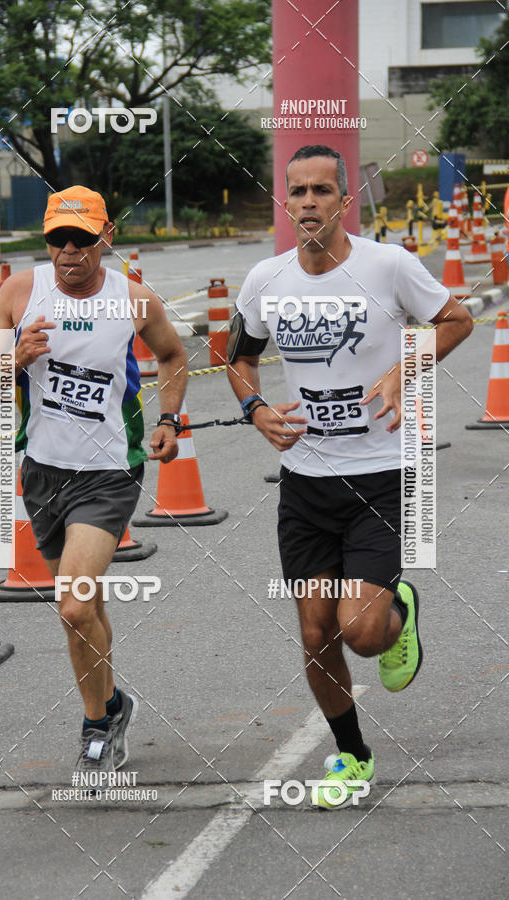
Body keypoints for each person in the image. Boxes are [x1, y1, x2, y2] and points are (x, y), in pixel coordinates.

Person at [227, 146, 473, 808]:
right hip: (304, 487)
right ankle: (352, 756)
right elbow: (237, 357)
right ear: (287, 201)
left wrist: (405, 368)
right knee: (314, 631)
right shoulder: (265, 280)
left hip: (383, 478)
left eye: (321, 190)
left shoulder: (387, 266)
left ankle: (398, 611)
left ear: (343, 201)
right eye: (297, 191)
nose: (308, 201)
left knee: (361, 632)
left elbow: (457, 317)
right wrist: (255, 409)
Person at [0, 185, 187, 773]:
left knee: (71, 605)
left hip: (109, 473)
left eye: (82, 240)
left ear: (106, 237)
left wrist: (169, 419)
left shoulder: (133, 300)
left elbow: (173, 355)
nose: (69, 251)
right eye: (58, 240)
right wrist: (10, 359)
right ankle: (113, 705)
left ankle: (94, 728)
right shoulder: (19, 293)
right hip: (42, 472)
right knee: (82, 608)